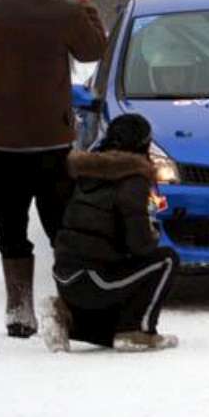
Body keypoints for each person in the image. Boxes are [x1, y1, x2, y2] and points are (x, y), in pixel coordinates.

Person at [0, 0, 107, 337]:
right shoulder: (65, 11)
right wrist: (87, 4)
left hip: (5, 140)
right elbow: (94, 51)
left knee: (10, 226)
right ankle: (72, 304)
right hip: (54, 140)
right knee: (62, 227)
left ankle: (19, 309)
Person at [43, 114, 179, 352]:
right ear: (143, 145)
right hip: (96, 279)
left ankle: (67, 318)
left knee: (111, 333)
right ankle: (140, 330)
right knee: (166, 260)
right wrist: (153, 234)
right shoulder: (132, 178)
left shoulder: (83, 171)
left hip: (64, 275)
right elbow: (140, 246)